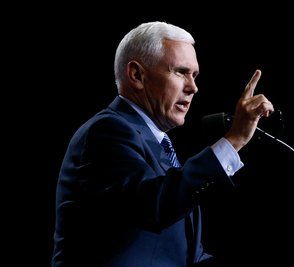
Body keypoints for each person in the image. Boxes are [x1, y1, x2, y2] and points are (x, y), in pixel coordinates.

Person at [51, 21, 273, 267]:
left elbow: (183, 253)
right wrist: (234, 140)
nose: (193, 87)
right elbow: (155, 205)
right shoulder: (106, 131)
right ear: (137, 75)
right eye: (180, 72)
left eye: (195, 75)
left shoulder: (158, 145)